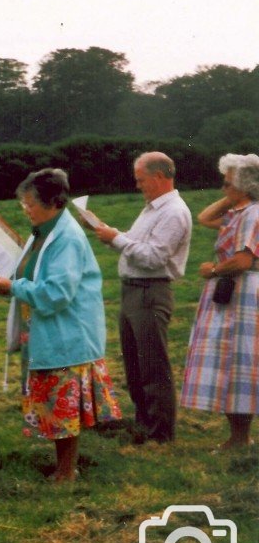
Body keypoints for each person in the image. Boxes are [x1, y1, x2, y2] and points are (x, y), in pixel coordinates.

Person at [0, 169, 121, 482]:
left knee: (64, 409)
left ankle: (66, 471)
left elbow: (58, 293)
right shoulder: (45, 230)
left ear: (52, 203)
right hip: (51, 332)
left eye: (30, 203)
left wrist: (15, 287)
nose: (26, 208)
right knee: (57, 406)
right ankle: (64, 468)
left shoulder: (67, 239)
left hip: (67, 333)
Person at [90, 152, 192, 443]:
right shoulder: (152, 209)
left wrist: (116, 239)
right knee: (135, 363)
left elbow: (154, 257)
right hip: (134, 290)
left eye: (141, 180)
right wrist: (112, 235)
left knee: (152, 366)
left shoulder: (173, 212)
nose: (138, 186)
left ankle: (160, 433)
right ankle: (144, 423)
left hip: (150, 291)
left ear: (159, 177)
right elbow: (138, 246)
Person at [181, 153, 259, 450]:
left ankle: (240, 438)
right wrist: (233, 196)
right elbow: (205, 217)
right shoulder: (239, 211)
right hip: (233, 291)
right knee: (230, 360)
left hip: (243, 290)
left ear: (245, 186)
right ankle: (238, 436)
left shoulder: (252, 214)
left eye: (228, 184)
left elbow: (242, 259)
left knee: (239, 360)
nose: (223, 188)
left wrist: (212, 270)